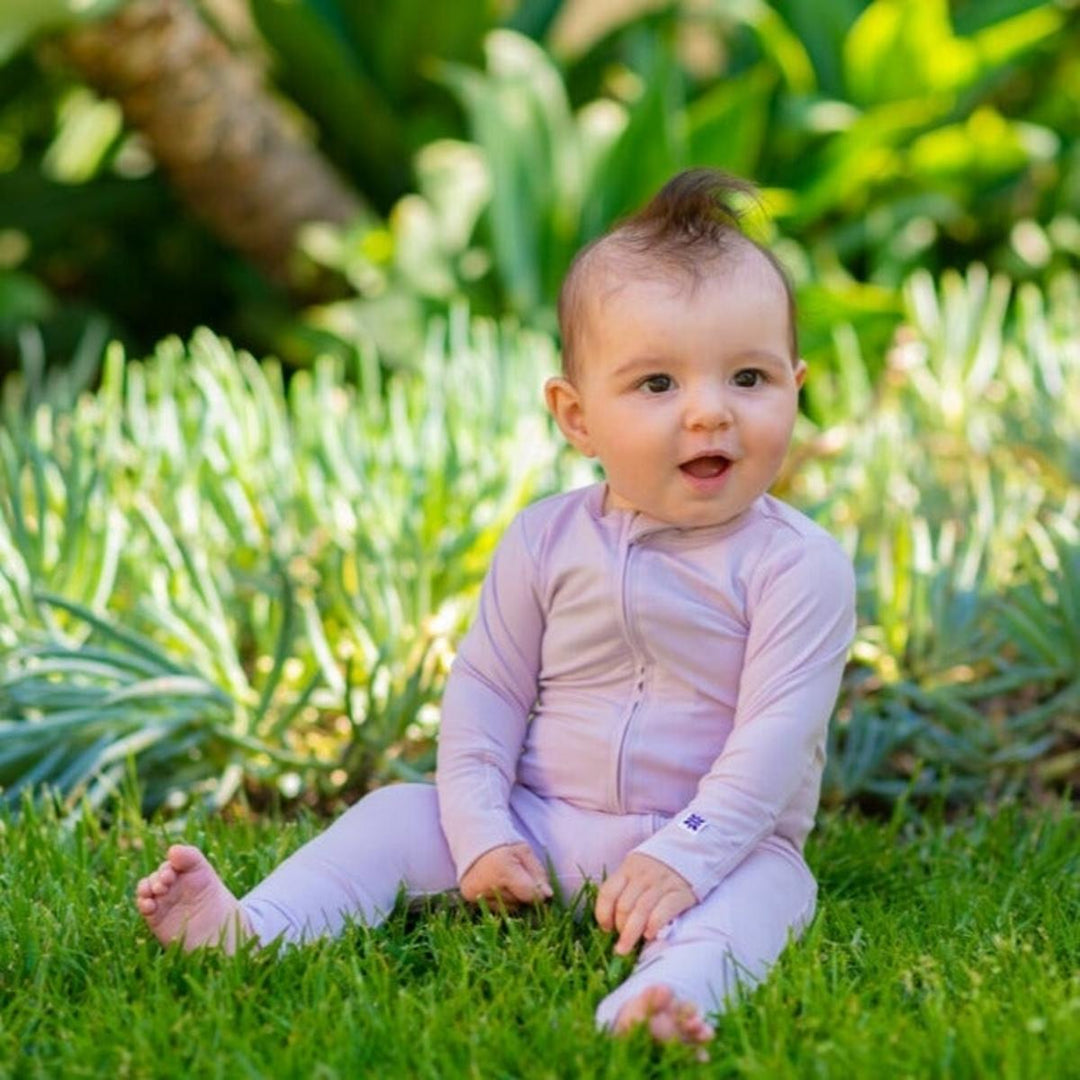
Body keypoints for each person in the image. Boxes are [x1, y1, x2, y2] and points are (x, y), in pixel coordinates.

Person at [135, 168, 856, 1049]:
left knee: (773, 896)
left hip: (716, 842)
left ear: (796, 385)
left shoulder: (798, 566)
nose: (710, 414)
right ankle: (255, 926)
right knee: (395, 817)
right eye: (657, 385)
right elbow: (487, 691)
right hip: (542, 821)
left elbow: (774, 738)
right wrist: (480, 829)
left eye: (749, 377)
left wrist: (684, 855)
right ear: (577, 416)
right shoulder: (546, 540)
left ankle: (666, 993)